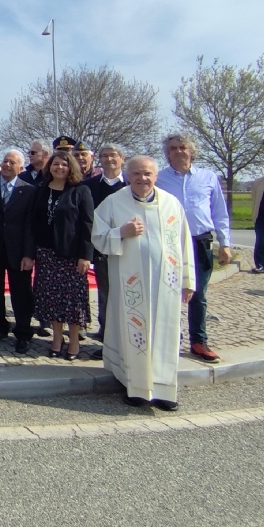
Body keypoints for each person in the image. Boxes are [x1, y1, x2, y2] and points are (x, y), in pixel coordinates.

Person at [92, 156, 196, 410]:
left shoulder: (172, 204)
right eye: (137, 174)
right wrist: (121, 233)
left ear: (156, 176)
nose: (142, 178)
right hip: (131, 285)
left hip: (165, 286)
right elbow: (97, 235)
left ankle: (164, 390)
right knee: (133, 332)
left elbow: (184, 243)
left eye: (148, 173)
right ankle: (135, 387)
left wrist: (187, 280)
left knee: (165, 334)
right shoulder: (114, 203)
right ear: (128, 176)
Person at [156, 132, 230, 364]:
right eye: (173, 148)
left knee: (198, 294)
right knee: (168, 292)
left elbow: (219, 212)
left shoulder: (208, 177)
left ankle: (199, 341)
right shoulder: (158, 178)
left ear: (191, 151)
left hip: (200, 242)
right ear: (167, 154)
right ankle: (170, 340)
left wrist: (225, 243)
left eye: (182, 147)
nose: (178, 151)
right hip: (168, 243)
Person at [26, 150, 94, 361]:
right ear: (49, 166)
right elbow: (32, 223)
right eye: (55, 164)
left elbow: (87, 225)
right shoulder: (41, 190)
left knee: (72, 302)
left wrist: (85, 255)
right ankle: (57, 338)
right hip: (46, 254)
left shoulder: (80, 191)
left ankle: (73, 340)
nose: (59, 168)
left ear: (70, 167)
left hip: (71, 256)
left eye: (64, 165)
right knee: (52, 300)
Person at [0, 149, 37, 352]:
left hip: (19, 251)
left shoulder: (29, 190)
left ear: (21, 168)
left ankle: (23, 332)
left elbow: (31, 225)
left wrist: (28, 254)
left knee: (21, 293)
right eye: (5, 161)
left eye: (12, 162)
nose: (7, 165)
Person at [84, 144, 128, 348]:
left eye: (113, 156)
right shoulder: (90, 185)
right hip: (101, 247)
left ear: (122, 158)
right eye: (104, 156)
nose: (109, 159)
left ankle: (128, 335)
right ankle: (106, 335)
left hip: (130, 248)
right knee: (105, 293)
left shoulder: (131, 183)